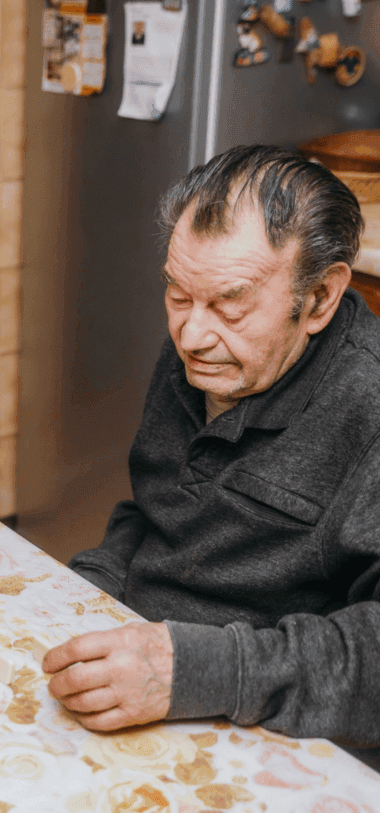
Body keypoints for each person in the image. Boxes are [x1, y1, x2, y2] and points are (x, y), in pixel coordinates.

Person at [43, 144, 380, 768]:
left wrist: (200, 673)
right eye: (177, 295)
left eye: (230, 303)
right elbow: (156, 511)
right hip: (142, 678)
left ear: (322, 298)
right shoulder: (209, 350)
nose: (192, 337)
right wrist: (86, 589)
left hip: (275, 736)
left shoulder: (369, 408)